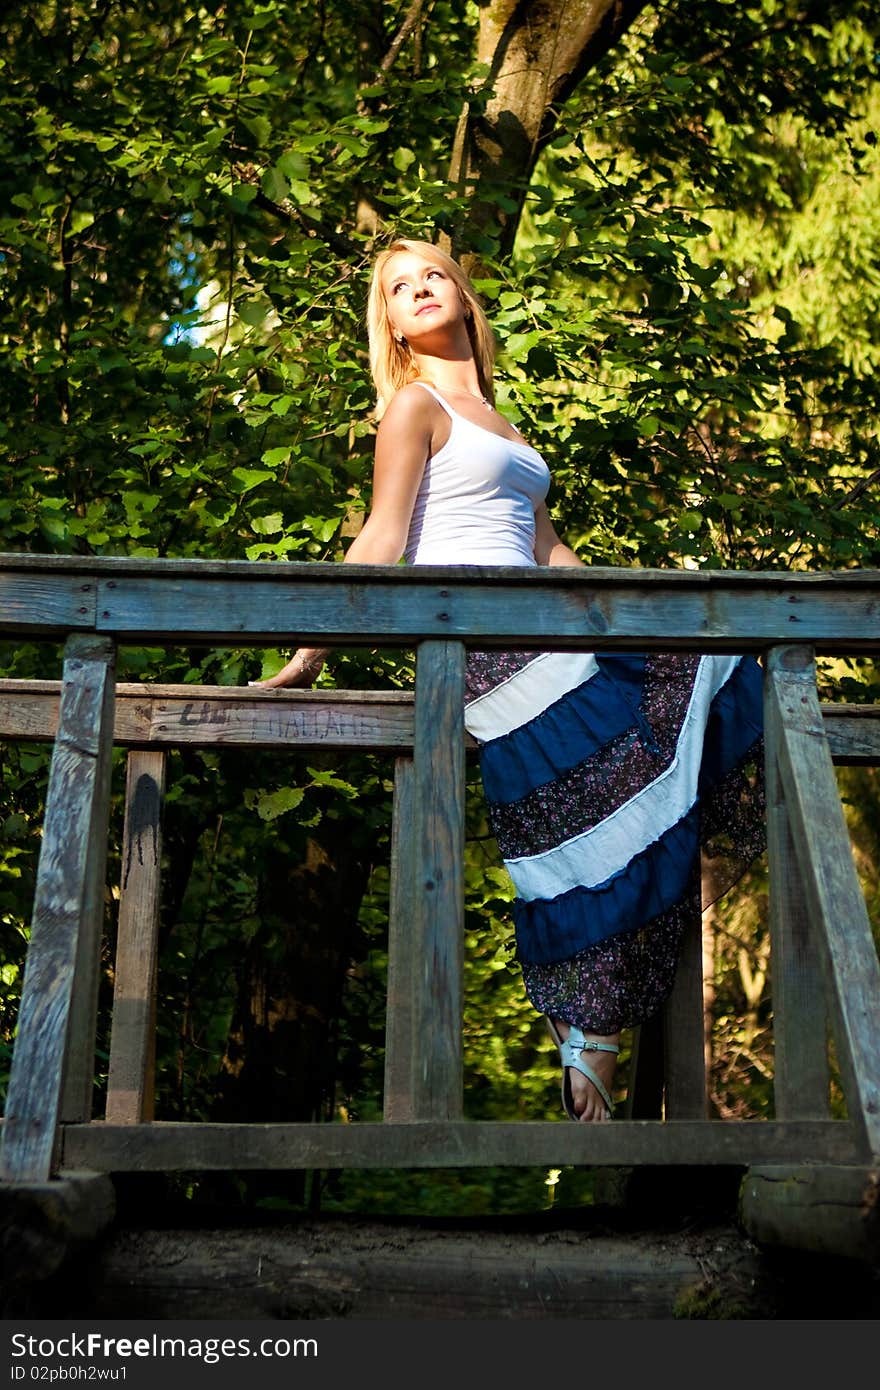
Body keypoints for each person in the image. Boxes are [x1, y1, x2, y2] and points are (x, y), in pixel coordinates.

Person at [253, 237, 766, 1123]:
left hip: (544, 629)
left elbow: (547, 550)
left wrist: (640, 612)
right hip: (481, 646)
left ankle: (591, 1036)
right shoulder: (411, 407)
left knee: (703, 682)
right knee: (593, 819)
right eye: (400, 287)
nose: (420, 289)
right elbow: (381, 538)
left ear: (462, 293)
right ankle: (591, 1034)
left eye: (432, 275)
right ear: (392, 321)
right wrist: (310, 649)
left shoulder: (501, 420)